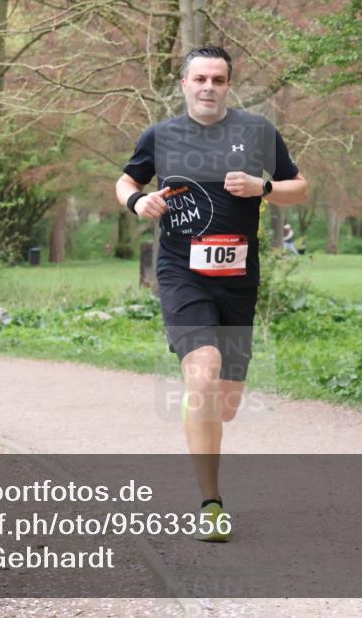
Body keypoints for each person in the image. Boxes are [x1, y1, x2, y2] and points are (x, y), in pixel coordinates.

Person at [116, 46, 308, 542]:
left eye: (218, 80)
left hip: (239, 281)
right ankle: (211, 503)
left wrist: (262, 187)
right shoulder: (160, 136)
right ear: (183, 84)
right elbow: (125, 181)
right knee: (202, 373)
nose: (208, 87)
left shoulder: (257, 131)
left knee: (225, 403)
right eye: (199, 78)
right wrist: (138, 202)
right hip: (182, 274)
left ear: (228, 85)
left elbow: (299, 187)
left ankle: (204, 414)